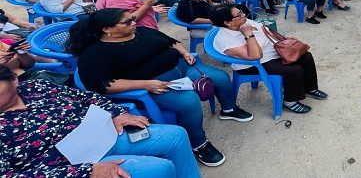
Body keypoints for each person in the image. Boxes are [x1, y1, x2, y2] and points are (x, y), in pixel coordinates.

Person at [66, 9, 253, 167]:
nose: (134, 22)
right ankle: (199, 144)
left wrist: (185, 53)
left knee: (220, 77)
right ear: (107, 29)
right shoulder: (96, 53)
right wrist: (146, 84)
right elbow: (101, 84)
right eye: (127, 21)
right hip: (154, 84)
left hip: (183, 68)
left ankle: (228, 109)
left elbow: (171, 41)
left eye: (132, 18)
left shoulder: (142, 32)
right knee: (189, 101)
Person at [0, 65, 201, 177]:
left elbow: (86, 97)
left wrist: (116, 112)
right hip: (65, 166)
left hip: (100, 136)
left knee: (175, 135)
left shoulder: (36, 87)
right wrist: (85, 171)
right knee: (159, 170)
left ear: (14, 81)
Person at [211, 4, 327, 114]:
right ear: (227, 22)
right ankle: (289, 102)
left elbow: (266, 31)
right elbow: (255, 56)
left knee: (306, 56)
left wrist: (283, 40)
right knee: (294, 70)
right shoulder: (226, 40)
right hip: (252, 65)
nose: (244, 15)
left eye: (241, 12)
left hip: (271, 54)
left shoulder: (243, 22)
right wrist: (249, 35)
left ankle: (309, 88)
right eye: (239, 14)